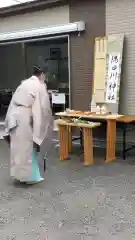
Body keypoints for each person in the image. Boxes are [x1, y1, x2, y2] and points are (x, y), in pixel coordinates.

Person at [4, 65, 53, 184]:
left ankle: (19, 175)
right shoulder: (40, 85)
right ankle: (30, 177)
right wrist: (46, 123)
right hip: (27, 117)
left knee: (18, 149)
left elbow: (12, 102)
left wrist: (7, 123)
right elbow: (44, 108)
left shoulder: (23, 83)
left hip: (14, 116)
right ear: (42, 75)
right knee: (28, 147)